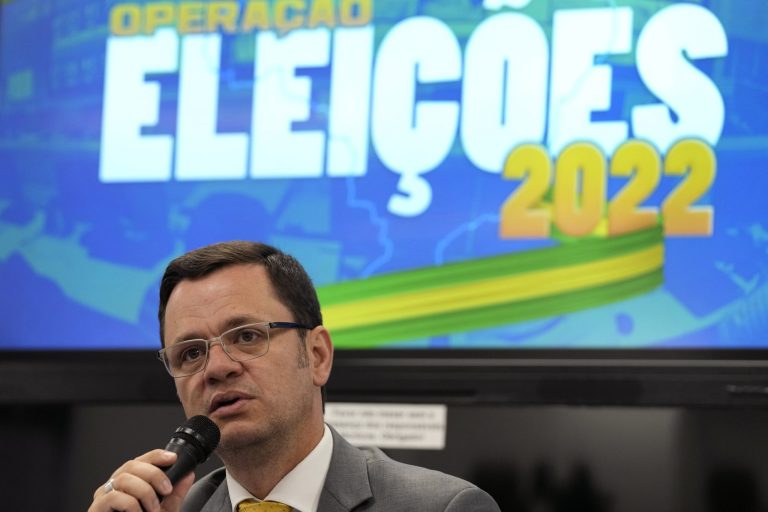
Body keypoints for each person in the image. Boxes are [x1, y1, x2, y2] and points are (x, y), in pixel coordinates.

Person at [88, 241, 501, 512]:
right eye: (191, 353)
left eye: (247, 336)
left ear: (317, 355)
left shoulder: (442, 507)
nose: (216, 368)